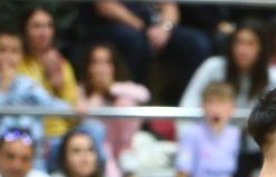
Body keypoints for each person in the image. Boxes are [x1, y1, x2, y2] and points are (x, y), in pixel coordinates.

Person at [81, 1, 212, 104]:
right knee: (136, 41)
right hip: (116, 25)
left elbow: (170, 7)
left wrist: (165, 28)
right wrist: (141, 27)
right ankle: (137, 103)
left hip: (155, 29)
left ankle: (184, 103)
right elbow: (105, 6)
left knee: (197, 43)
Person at [0, 31, 73, 165]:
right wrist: (3, 87)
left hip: (31, 146)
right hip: (1, 147)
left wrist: (73, 109)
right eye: (2, 50)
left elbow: (48, 102)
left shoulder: (27, 82)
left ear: (21, 55)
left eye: (14, 51)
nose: (8, 57)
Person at [78, 43, 150, 177]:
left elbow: (144, 95)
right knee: (110, 171)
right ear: (89, 67)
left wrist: (111, 88)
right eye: (96, 62)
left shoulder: (123, 88)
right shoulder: (82, 91)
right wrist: (98, 95)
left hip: (126, 147)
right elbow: (83, 118)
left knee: (124, 102)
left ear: (113, 67)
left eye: (106, 62)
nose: (101, 68)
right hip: (99, 148)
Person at [180, 20, 276, 112]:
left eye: (250, 44)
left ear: (262, 48)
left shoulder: (274, 77)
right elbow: (187, 106)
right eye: (238, 42)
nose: (242, 50)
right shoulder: (212, 66)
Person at [18, 6, 81, 151]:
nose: (44, 32)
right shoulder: (17, 63)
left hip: (61, 137)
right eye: (37, 26)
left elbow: (73, 113)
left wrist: (57, 85)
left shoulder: (63, 65)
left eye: (48, 26)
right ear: (25, 31)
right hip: (27, 136)